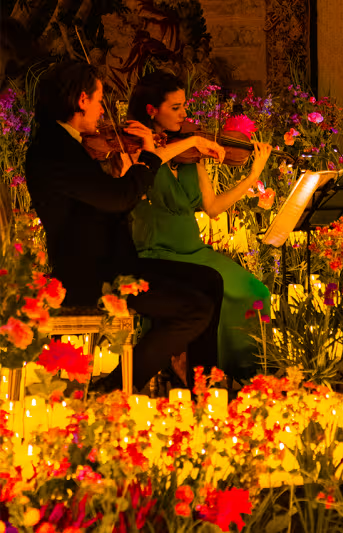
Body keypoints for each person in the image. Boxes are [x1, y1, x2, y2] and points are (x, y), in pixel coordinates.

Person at [25, 60, 224, 393]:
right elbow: (118, 199)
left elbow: (102, 199)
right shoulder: (54, 150)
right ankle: (114, 390)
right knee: (194, 309)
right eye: (99, 99)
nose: (103, 110)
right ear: (81, 100)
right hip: (90, 276)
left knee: (209, 281)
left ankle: (201, 389)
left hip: (114, 264)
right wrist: (147, 157)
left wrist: (121, 170)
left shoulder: (66, 143)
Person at [127, 70, 272, 380]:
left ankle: (242, 373)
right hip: (158, 252)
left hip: (194, 249)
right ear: (152, 110)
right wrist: (193, 139)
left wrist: (252, 175)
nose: (185, 114)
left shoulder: (193, 153)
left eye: (185, 106)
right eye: (175, 107)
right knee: (209, 294)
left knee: (255, 291)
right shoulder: (138, 144)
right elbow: (149, 161)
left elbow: (213, 207)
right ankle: (200, 371)